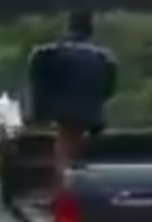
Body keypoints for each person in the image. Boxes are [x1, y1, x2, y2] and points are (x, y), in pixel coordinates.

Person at [27, 11, 118, 188]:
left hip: (64, 110)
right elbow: (109, 88)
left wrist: (39, 107)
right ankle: (67, 182)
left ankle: (62, 185)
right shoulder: (102, 57)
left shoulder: (51, 53)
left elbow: (37, 70)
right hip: (90, 111)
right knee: (73, 143)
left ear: (69, 27)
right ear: (90, 30)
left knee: (65, 146)